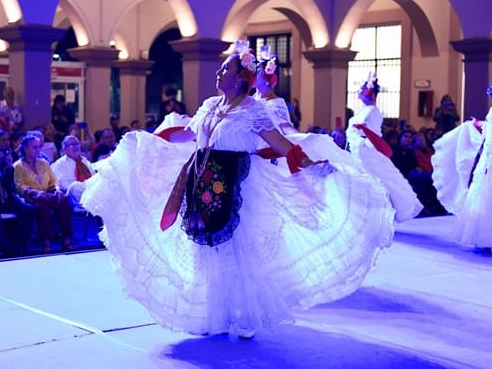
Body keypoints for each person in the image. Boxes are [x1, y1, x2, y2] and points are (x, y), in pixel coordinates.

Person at [81, 48, 394, 339]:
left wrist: (310, 165)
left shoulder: (254, 112)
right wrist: (149, 139)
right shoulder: (209, 106)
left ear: (240, 77)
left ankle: (244, 315)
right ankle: (214, 313)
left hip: (238, 185)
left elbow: (284, 146)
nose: (218, 72)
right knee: (205, 250)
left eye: (224, 68)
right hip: (202, 181)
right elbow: (189, 134)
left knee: (237, 249)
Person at [346, 74, 423, 222]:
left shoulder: (372, 111)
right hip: (357, 147)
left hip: (366, 149)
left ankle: (380, 213)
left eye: (362, 90)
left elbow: (372, 131)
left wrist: (359, 130)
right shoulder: (363, 110)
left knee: (376, 179)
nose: (359, 93)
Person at [432, 84, 492, 251]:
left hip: (489, 155)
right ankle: (484, 238)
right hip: (487, 157)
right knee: (482, 195)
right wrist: (478, 124)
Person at [14, 134, 74, 253]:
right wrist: (34, 192)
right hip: (32, 197)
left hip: (48, 194)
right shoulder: (18, 166)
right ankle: (45, 240)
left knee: (63, 200)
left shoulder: (44, 163)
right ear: (26, 149)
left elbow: (53, 180)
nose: (38, 150)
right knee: (41, 206)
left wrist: (57, 189)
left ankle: (66, 237)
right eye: (34, 147)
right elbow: (19, 186)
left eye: (38, 147)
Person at [51, 135, 95, 208]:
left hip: (89, 188)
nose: (75, 147)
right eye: (72, 145)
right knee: (75, 186)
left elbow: (94, 176)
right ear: (64, 149)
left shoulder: (84, 161)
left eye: (77, 144)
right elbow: (61, 184)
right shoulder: (60, 164)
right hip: (72, 194)